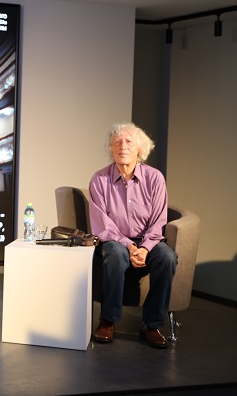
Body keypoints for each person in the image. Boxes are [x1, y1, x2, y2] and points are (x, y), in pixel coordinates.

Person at [89, 122, 178, 349]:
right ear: (111, 148)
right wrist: (129, 245)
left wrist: (145, 248)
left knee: (167, 257)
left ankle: (151, 325)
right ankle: (107, 320)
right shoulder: (99, 180)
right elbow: (103, 225)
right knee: (116, 254)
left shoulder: (155, 178)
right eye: (117, 142)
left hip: (147, 240)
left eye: (129, 142)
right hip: (115, 240)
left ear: (140, 149)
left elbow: (158, 221)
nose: (123, 146)